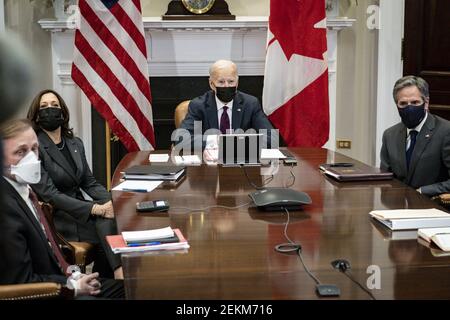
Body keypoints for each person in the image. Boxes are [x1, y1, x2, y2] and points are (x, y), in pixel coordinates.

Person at [0, 119, 124, 299]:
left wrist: (75, 275)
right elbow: (23, 282)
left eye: (34, 149)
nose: (31, 159)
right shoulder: (5, 208)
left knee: (133, 287)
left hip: (63, 277)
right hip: (49, 290)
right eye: (20, 152)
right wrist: (72, 287)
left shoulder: (25, 191)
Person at [26, 89, 123, 279]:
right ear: (36, 116)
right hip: (60, 217)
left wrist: (116, 201)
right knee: (108, 228)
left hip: (81, 211)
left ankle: (106, 281)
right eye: (44, 107)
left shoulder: (75, 143)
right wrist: (97, 209)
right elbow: (50, 195)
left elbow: (90, 182)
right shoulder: (34, 147)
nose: (50, 110)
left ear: (63, 111)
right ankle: (117, 276)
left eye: (55, 105)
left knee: (115, 220)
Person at [176, 59, 275, 155]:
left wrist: (235, 143)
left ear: (237, 82)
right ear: (211, 84)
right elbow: (181, 139)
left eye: (231, 81)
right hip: (209, 164)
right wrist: (216, 141)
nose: (227, 86)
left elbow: (271, 138)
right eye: (221, 82)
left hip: (241, 163)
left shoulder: (250, 104)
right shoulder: (199, 106)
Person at [380, 75, 450, 197]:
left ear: (426, 103)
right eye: (403, 103)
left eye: (415, 102)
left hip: (433, 207)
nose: (409, 107)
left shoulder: (445, 131)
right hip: (397, 208)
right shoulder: (389, 135)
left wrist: (421, 192)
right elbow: (385, 178)